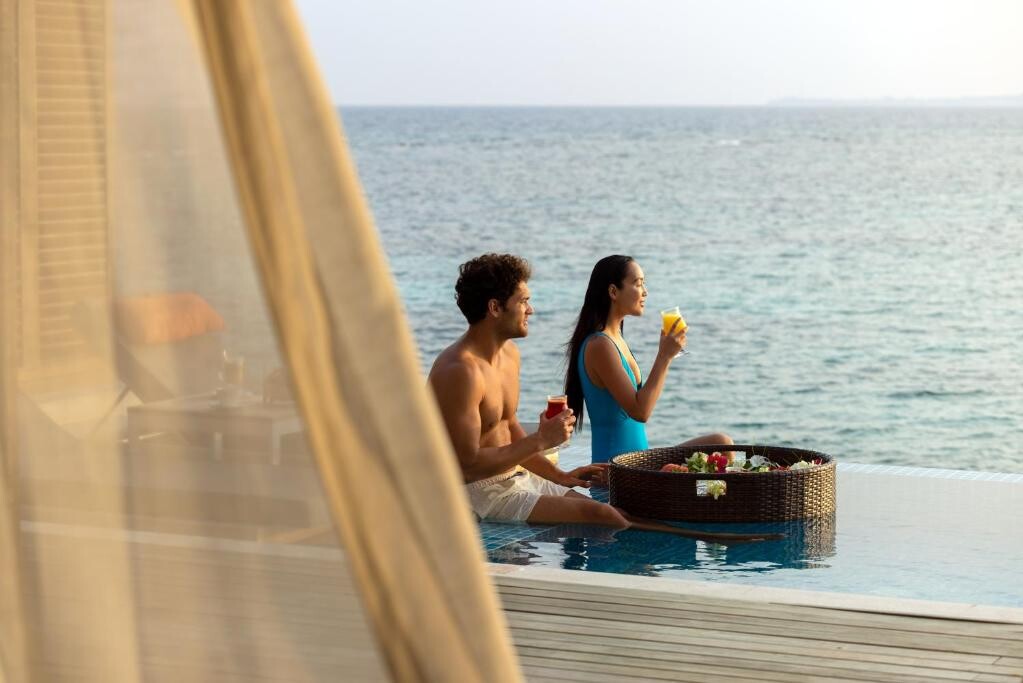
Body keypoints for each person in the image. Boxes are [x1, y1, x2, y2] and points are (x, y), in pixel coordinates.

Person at [429, 253, 773, 542]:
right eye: (523, 301)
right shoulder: (460, 371)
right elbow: (466, 465)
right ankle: (709, 539)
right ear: (494, 307)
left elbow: (508, 428)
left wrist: (559, 475)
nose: (531, 310)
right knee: (602, 514)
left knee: (607, 509)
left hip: (516, 475)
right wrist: (541, 440)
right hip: (478, 491)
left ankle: (715, 527)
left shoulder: (509, 356)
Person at [565, 255, 733, 463]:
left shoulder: (615, 339)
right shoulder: (599, 345)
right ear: (613, 292)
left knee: (721, 443)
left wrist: (666, 355)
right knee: (719, 453)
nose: (645, 292)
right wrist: (664, 356)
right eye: (638, 284)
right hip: (619, 470)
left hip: (640, 461)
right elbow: (640, 411)